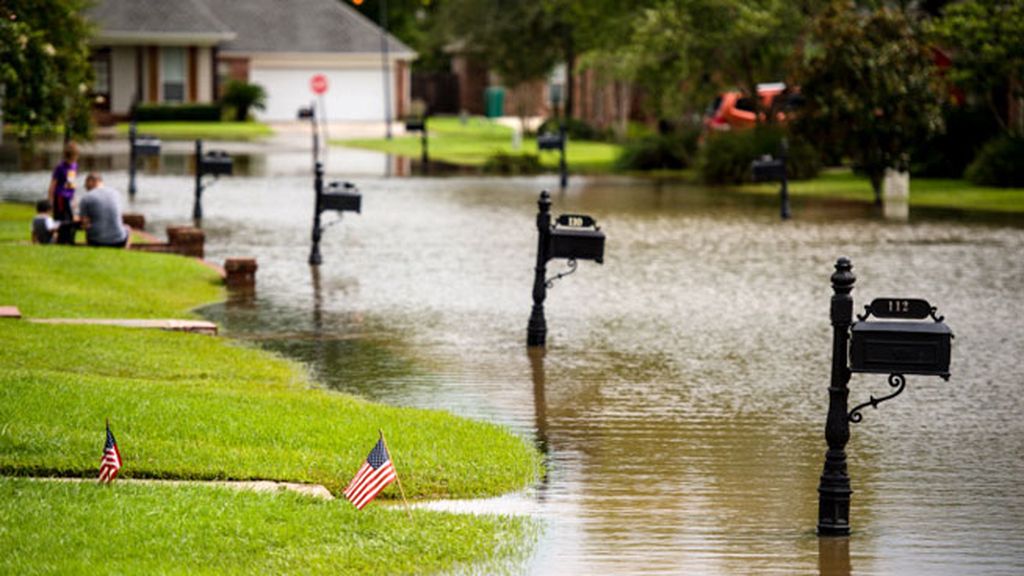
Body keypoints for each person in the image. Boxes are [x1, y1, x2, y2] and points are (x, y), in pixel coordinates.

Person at [79, 173, 130, 248]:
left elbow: (84, 223)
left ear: (93, 181)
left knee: (89, 228)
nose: (85, 186)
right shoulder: (116, 193)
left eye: (86, 183)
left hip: (96, 241)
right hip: (119, 241)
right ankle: (126, 248)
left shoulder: (86, 197)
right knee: (127, 228)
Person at [48, 141, 79, 244]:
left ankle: (69, 239)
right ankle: (60, 240)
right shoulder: (60, 167)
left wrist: (73, 198)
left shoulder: (74, 166)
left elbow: (71, 183)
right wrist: (51, 200)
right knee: (60, 218)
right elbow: (53, 184)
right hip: (60, 196)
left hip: (69, 197)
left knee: (70, 219)